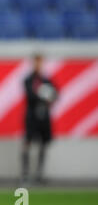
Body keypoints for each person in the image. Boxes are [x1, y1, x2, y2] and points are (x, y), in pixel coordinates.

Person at [21, 54, 58, 185]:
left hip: (44, 116)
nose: (39, 65)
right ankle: (25, 174)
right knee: (27, 143)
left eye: (41, 62)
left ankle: (39, 174)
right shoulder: (28, 80)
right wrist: (43, 94)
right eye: (36, 62)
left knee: (43, 144)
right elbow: (30, 96)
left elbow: (55, 95)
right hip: (32, 117)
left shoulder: (46, 80)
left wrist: (45, 95)